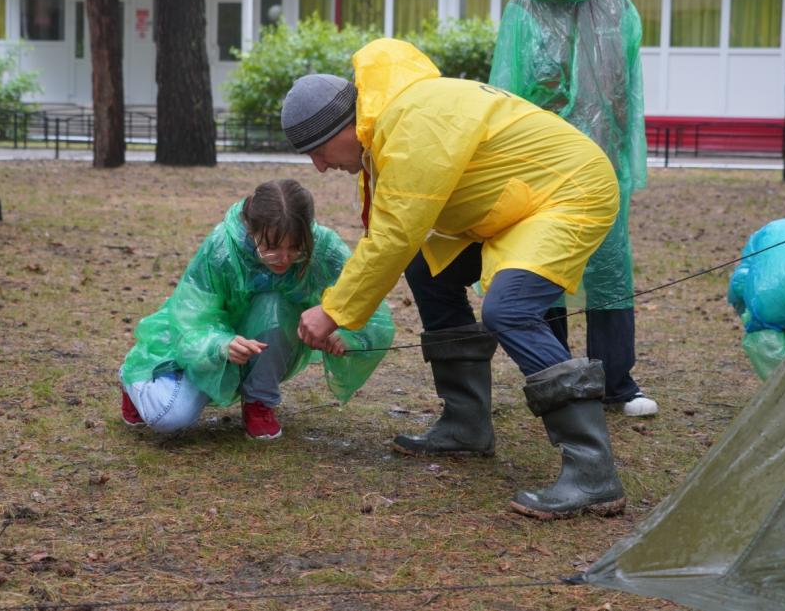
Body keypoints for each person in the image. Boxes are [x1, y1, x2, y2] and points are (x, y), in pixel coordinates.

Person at [280, 38, 626, 520]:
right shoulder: (390, 122)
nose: (319, 166)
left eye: (317, 151)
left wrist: (334, 311)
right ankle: (466, 424)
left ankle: (593, 472)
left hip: (567, 193)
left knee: (509, 310)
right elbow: (396, 236)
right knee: (427, 266)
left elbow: (395, 233)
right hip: (514, 205)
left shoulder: (411, 121)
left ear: (342, 126)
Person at [489, 0, 656, 417]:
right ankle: (555, 374)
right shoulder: (524, 7)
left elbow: (628, 87)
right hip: (544, 164)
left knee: (609, 267)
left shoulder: (616, 8)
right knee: (548, 262)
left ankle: (616, 382)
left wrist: (626, 154)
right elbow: (506, 87)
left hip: (603, 162)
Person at [117, 179, 394, 438]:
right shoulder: (221, 249)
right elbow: (192, 317)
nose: (284, 259)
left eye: (295, 248)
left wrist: (345, 333)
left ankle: (259, 401)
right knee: (169, 417)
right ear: (251, 230)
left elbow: (363, 298)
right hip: (210, 345)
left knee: (274, 302)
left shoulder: (323, 247)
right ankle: (134, 382)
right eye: (272, 248)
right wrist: (220, 345)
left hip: (267, 341)